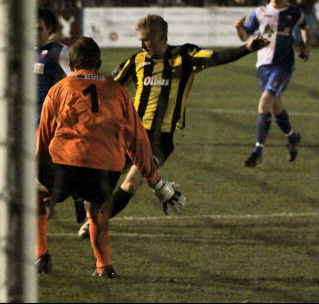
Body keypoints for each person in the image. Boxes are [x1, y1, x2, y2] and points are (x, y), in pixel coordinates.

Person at [77, 14, 269, 238]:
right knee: (102, 177)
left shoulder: (185, 56)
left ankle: (96, 223)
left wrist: (247, 48)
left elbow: (217, 57)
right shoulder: (136, 61)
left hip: (160, 140)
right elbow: (109, 87)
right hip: (129, 133)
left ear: (160, 37)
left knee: (131, 182)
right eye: (139, 39)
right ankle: (92, 213)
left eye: (146, 40)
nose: (141, 44)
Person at [35, 37, 182, 278]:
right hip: (104, 167)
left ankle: (40, 256)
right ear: (100, 63)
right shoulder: (118, 91)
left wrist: (36, 167)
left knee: (36, 194)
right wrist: (155, 181)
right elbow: (138, 139)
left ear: (71, 66)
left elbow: (43, 135)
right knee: (97, 208)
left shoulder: (59, 89)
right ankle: (104, 266)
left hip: (65, 164)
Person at [0, 8, 87, 223]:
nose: (35, 32)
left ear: (48, 30)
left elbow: (77, 77)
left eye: (40, 28)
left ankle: (70, 195)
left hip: (51, 123)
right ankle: (56, 201)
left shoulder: (59, 52)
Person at [234, 0, 311, 168]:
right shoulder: (259, 12)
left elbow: (305, 26)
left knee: (264, 103)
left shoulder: (294, 12)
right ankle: (292, 137)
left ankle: (258, 150)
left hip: (283, 66)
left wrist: (307, 46)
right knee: (276, 105)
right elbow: (245, 37)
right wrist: (238, 28)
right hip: (263, 66)